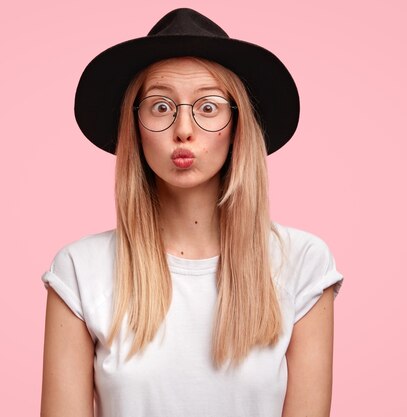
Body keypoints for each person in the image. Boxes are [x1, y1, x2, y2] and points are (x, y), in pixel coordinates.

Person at [40, 8, 344, 417]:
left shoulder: (301, 264)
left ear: (238, 126)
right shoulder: (80, 270)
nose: (184, 128)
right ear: (135, 127)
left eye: (208, 107)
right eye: (161, 107)